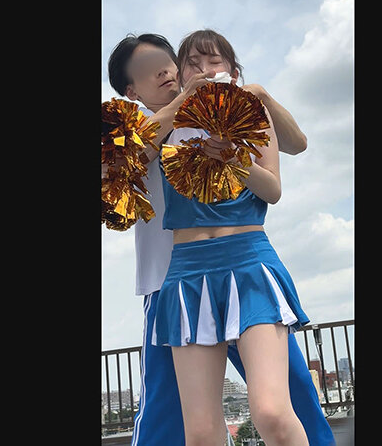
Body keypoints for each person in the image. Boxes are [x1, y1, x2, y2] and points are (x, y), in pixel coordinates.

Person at [105, 32, 335, 446]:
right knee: (175, 418)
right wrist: (185, 102)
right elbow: (123, 160)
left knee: (286, 401)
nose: (166, 73)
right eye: (150, 69)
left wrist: (258, 97)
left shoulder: (235, 113)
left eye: (167, 64)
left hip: (245, 266)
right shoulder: (137, 124)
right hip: (174, 281)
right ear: (131, 89)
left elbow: (294, 150)